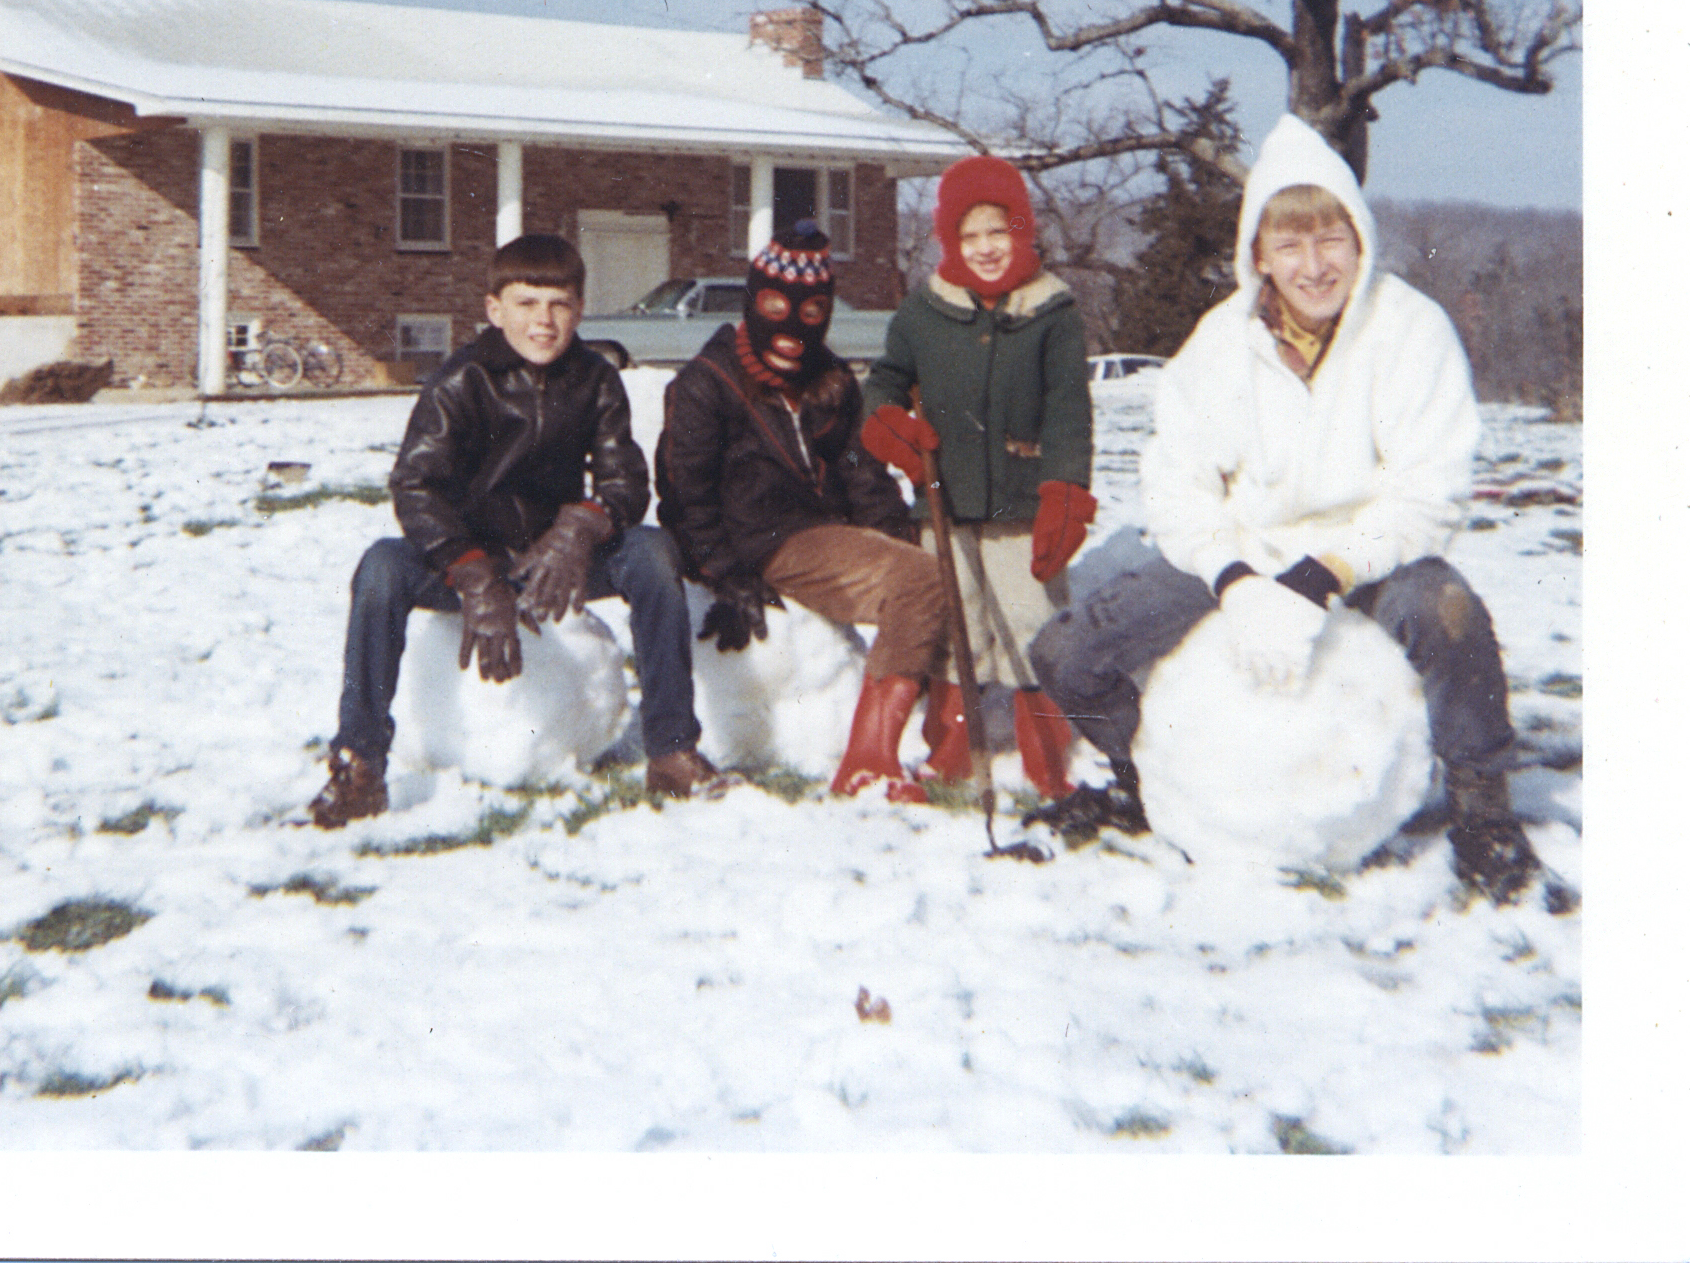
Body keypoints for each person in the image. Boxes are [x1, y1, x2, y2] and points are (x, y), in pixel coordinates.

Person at [1024, 113, 1555, 907]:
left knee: (1446, 612)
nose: (1314, 267)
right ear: (1259, 255)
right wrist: (1236, 579)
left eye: (1330, 240)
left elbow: (1426, 489)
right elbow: (1177, 487)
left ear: (1359, 239)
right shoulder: (1217, 345)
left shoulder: (1409, 332)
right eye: (1291, 246)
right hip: (1242, 549)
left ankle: (1484, 811)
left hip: (1365, 552)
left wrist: (1324, 573)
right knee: (1068, 656)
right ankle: (1150, 783)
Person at [309, 232, 721, 828]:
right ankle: (360, 763)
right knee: (380, 567)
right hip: (470, 558)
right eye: (527, 304)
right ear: (494, 309)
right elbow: (415, 485)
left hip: (557, 564)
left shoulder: (596, 378)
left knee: (654, 552)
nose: (544, 322)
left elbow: (626, 480)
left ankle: (671, 749)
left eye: (559, 305)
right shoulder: (461, 380)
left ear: (580, 309)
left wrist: (580, 529)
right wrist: (473, 574)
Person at [654, 220, 952, 801]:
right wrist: (722, 571)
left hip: (826, 534)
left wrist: (895, 535)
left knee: (931, 565)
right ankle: (869, 757)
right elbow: (684, 492)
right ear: (751, 302)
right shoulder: (707, 383)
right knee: (919, 581)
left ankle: (945, 734)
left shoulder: (832, 379)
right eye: (773, 304)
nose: (791, 328)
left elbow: (861, 472)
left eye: (811, 312)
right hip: (765, 543)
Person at [859, 154, 1096, 781]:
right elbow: (884, 383)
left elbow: (1070, 411)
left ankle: (1047, 760)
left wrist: (1066, 493)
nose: (986, 248)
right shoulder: (921, 313)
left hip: (1025, 506)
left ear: (1023, 230)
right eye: (970, 235)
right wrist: (889, 424)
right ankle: (953, 749)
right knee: (955, 623)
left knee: (1030, 622)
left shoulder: (1053, 312)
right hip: (946, 499)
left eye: (999, 230)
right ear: (948, 239)